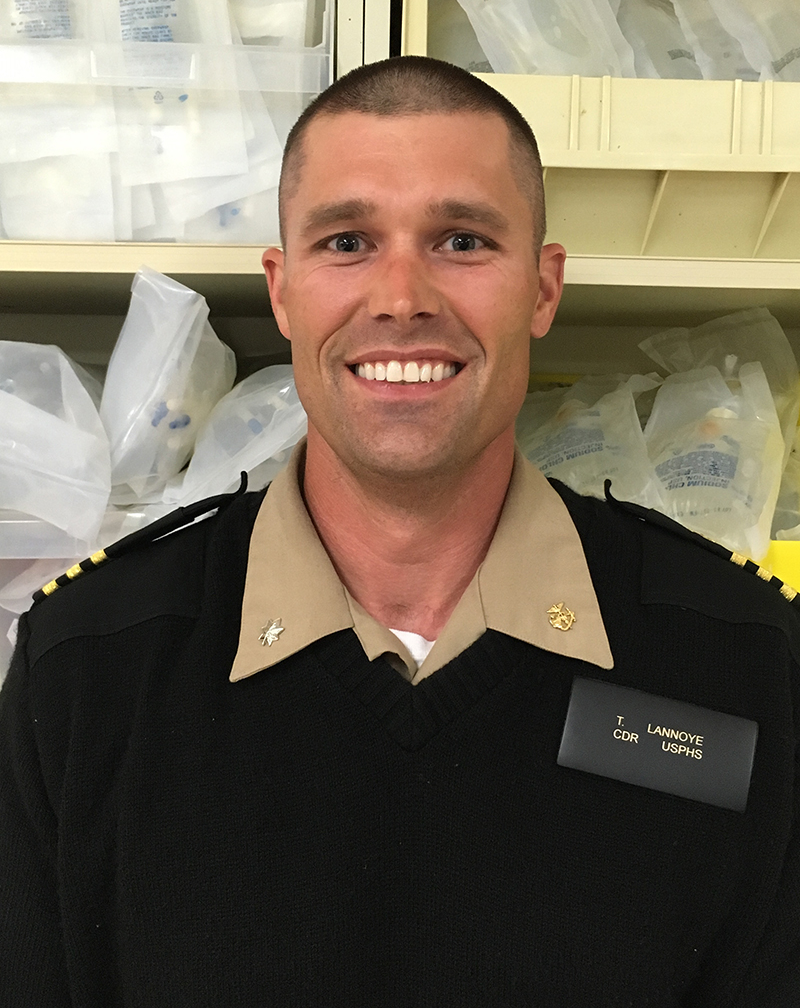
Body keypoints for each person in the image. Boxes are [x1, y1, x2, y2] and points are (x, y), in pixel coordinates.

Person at [1, 56, 799, 1007]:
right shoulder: (89, 667)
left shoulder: (746, 662)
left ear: (544, 289)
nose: (402, 296)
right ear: (284, 287)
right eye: (347, 241)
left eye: (462, 239)